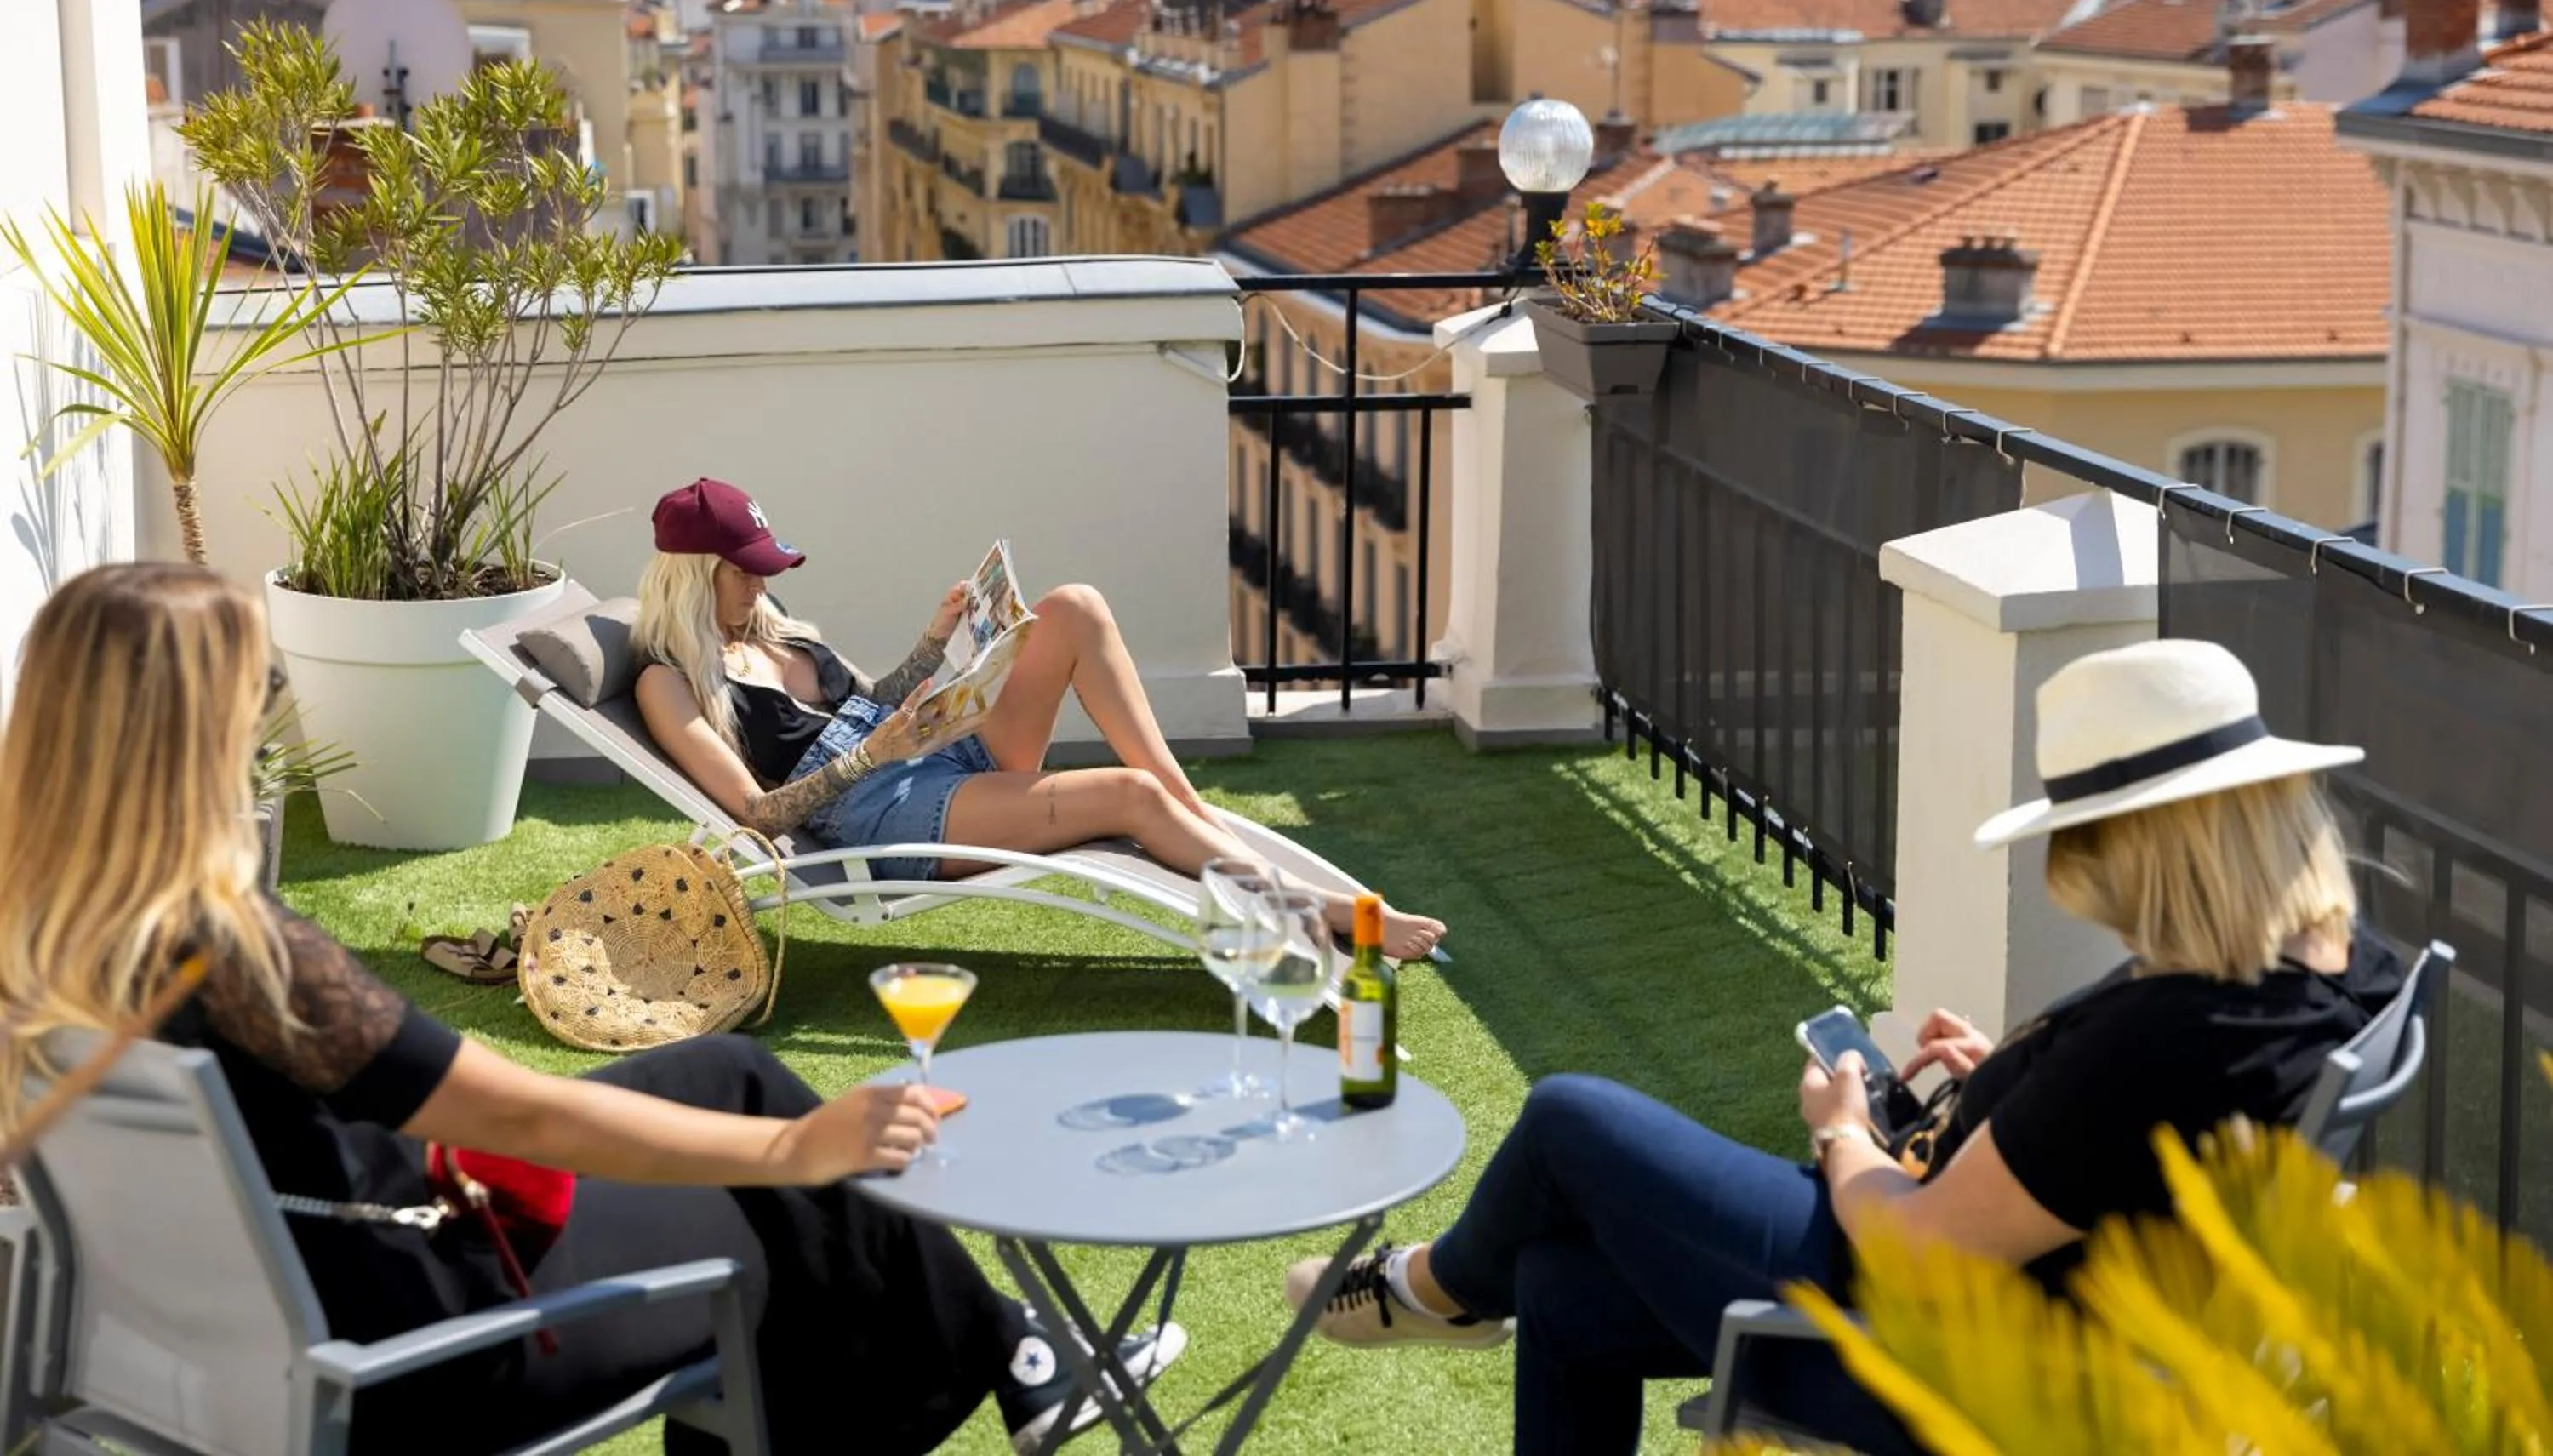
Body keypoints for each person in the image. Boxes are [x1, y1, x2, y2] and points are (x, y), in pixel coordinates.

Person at [0, 562, 1182, 1456]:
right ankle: (1012, 1354)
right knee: (791, 1207)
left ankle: (1021, 1350)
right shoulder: (245, 961)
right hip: (423, 1339)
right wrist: (793, 1151)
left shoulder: (38, 951)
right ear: (206, 733)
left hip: (254, 1325)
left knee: (730, 1075)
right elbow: (529, 1120)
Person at [1280, 638, 2407, 1453]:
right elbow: (2119, 1144)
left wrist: (1843, 1135)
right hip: (2064, 1334)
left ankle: (1431, 1290)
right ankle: (1464, 1290)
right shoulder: (2327, 970)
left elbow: (1920, 1254)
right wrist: (2012, 1095)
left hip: (1933, 1359)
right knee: (1565, 1289)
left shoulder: (2179, 1031)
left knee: (1572, 1117)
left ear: (2147, 849)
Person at [630, 478, 1444, 960]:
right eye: (745, 575)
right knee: (1124, 799)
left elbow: (868, 700)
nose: (761, 587)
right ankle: (1323, 912)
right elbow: (756, 812)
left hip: (929, 762)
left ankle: (1183, 805)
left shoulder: (772, 626)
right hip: (882, 815)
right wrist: (877, 750)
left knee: (1072, 610)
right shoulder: (669, 685)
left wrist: (937, 644)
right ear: (696, 576)